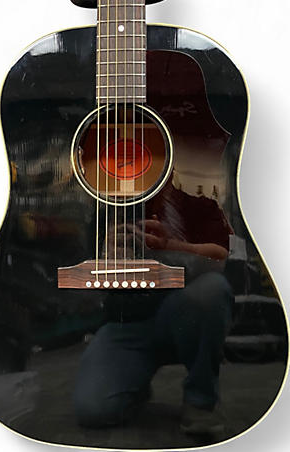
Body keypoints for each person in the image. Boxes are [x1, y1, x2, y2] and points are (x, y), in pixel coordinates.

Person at [74, 181, 234, 435]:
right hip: (127, 323)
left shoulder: (200, 203)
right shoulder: (109, 209)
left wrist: (171, 246)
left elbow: (221, 259)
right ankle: (132, 384)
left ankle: (201, 401)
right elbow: (86, 283)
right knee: (93, 409)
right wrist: (106, 256)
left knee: (212, 290)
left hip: (184, 314)